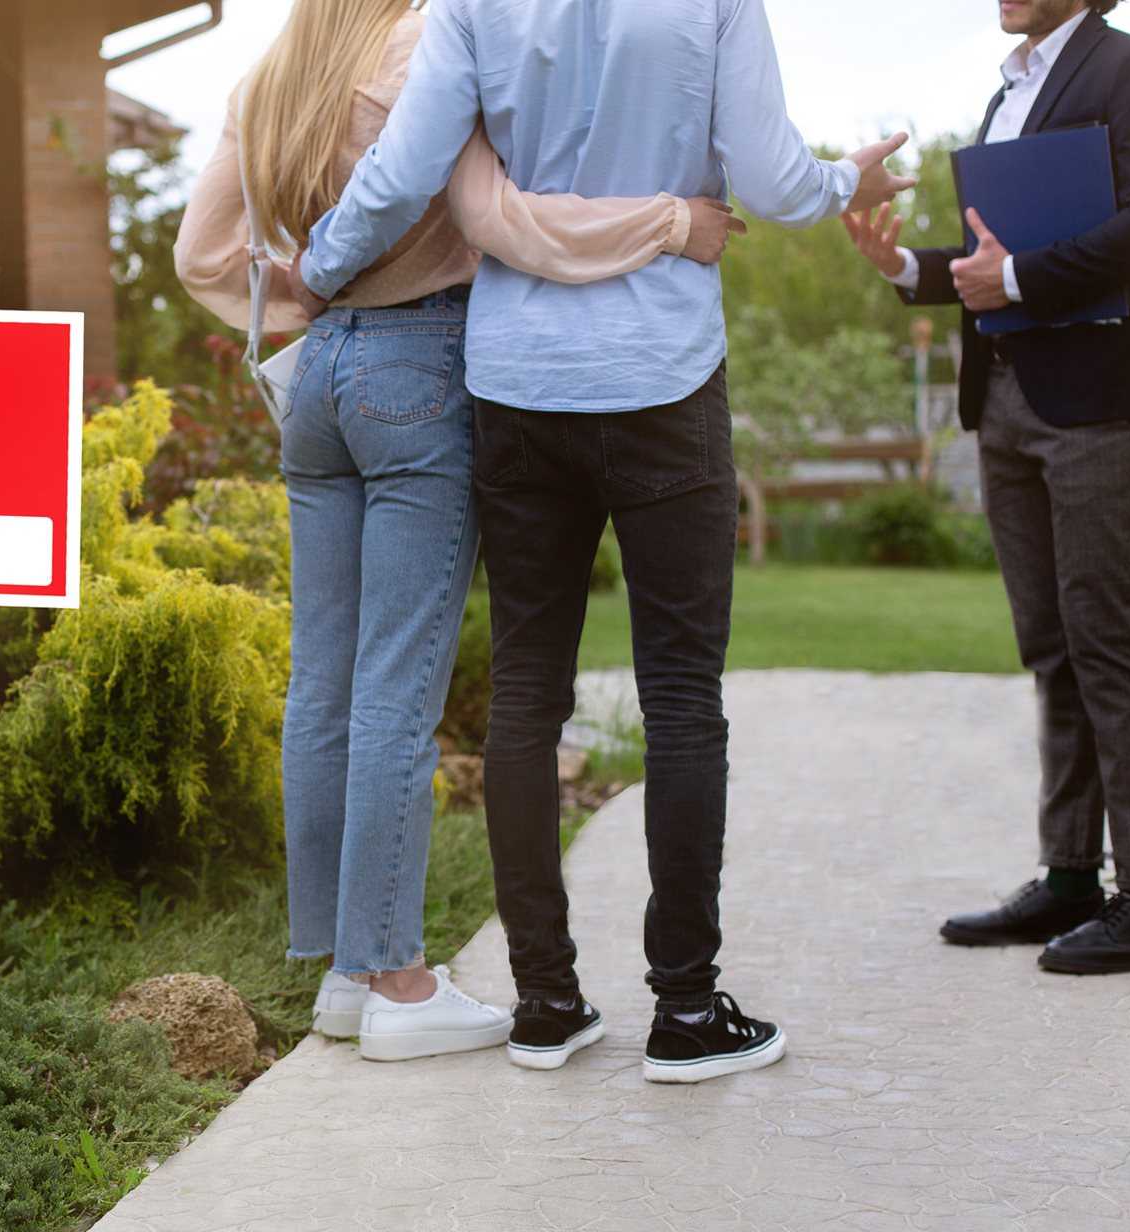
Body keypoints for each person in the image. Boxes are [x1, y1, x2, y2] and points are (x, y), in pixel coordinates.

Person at [289, 0, 914, 1079]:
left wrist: (321, 263)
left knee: (530, 688)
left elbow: (402, 170)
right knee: (681, 692)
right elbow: (768, 178)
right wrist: (841, 180)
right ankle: (683, 1010)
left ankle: (545, 1001)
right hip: (662, 373)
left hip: (518, 379)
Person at [174, 0, 747, 1063]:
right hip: (416, 366)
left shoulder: (271, 72)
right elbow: (507, 220)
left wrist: (307, 300)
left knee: (324, 679)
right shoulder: (418, 46)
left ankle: (345, 972)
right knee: (399, 677)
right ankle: (397, 974)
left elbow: (202, 252)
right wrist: (670, 223)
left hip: (317, 387)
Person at [843, 0, 1130, 974]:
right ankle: (1071, 873)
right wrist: (908, 265)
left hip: (1094, 399)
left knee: (1105, 635)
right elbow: (991, 258)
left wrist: (1028, 278)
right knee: (1051, 646)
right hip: (1001, 399)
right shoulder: (1012, 87)